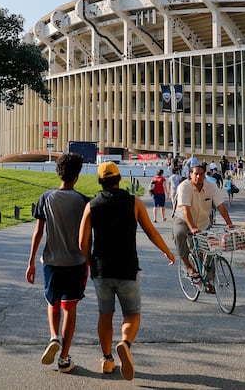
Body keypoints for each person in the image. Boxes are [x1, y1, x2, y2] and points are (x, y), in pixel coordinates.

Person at [79, 162, 175, 380]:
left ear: (100, 181)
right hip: (127, 267)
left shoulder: (91, 206)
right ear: (119, 178)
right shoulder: (134, 202)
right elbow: (151, 232)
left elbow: (82, 241)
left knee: (105, 314)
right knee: (132, 313)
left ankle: (106, 359)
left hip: (102, 269)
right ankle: (125, 343)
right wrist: (167, 252)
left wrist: (89, 261)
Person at [26, 152, 89, 374]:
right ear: (78, 175)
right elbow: (88, 237)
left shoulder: (46, 198)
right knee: (69, 307)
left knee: (52, 302)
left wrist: (31, 261)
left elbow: (38, 231)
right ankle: (64, 358)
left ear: (58, 172)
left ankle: (53, 337)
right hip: (75, 262)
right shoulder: (84, 201)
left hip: (51, 261)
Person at [173, 164, 234, 293]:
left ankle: (207, 281)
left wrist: (229, 223)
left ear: (205, 174)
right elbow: (185, 209)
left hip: (203, 222)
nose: (199, 176)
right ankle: (188, 266)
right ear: (190, 175)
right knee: (179, 234)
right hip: (184, 220)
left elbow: (220, 205)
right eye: (196, 174)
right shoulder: (184, 187)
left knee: (210, 249)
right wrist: (192, 227)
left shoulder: (211, 186)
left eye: (201, 174)